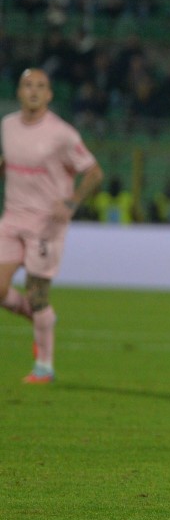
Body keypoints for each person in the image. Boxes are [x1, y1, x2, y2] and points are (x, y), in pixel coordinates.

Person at [0, 68, 104, 382]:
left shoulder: (62, 133)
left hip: (45, 224)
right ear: (18, 92)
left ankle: (44, 366)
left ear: (49, 95)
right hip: (11, 218)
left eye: (40, 86)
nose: (33, 91)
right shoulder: (7, 126)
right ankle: (43, 318)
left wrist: (71, 202)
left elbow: (94, 172)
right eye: (27, 85)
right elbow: (12, 162)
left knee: (37, 295)